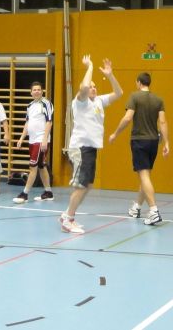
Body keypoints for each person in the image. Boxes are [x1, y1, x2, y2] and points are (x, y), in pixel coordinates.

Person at [60, 55, 122, 234]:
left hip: (91, 148)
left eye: (95, 86)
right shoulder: (80, 102)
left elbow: (119, 93)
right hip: (80, 148)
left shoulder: (99, 101)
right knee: (81, 186)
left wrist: (110, 75)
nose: (93, 88)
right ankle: (68, 219)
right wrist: (90, 67)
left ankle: (67, 215)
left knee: (87, 185)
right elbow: (84, 87)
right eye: (91, 86)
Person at [108, 72, 169, 225]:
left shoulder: (134, 97)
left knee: (144, 175)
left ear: (139, 83)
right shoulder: (158, 100)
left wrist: (115, 133)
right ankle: (136, 207)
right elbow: (162, 122)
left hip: (139, 141)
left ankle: (154, 211)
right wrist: (166, 142)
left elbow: (128, 117)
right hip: (154, 142)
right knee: (145, 175)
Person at [14, 82, 54, 204]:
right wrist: (21, 138)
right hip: (32, 140)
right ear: (31, 92)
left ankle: (25, 194)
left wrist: (44, 139)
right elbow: (27, 123)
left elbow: (49, 122)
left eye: (39, 89)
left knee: (33, 167)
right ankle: (48, 192)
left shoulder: (46, 103)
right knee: (41, 166)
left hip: (40, 140)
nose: (37, 91)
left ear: (42, 91)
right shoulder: (30, 106)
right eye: (34, 90)